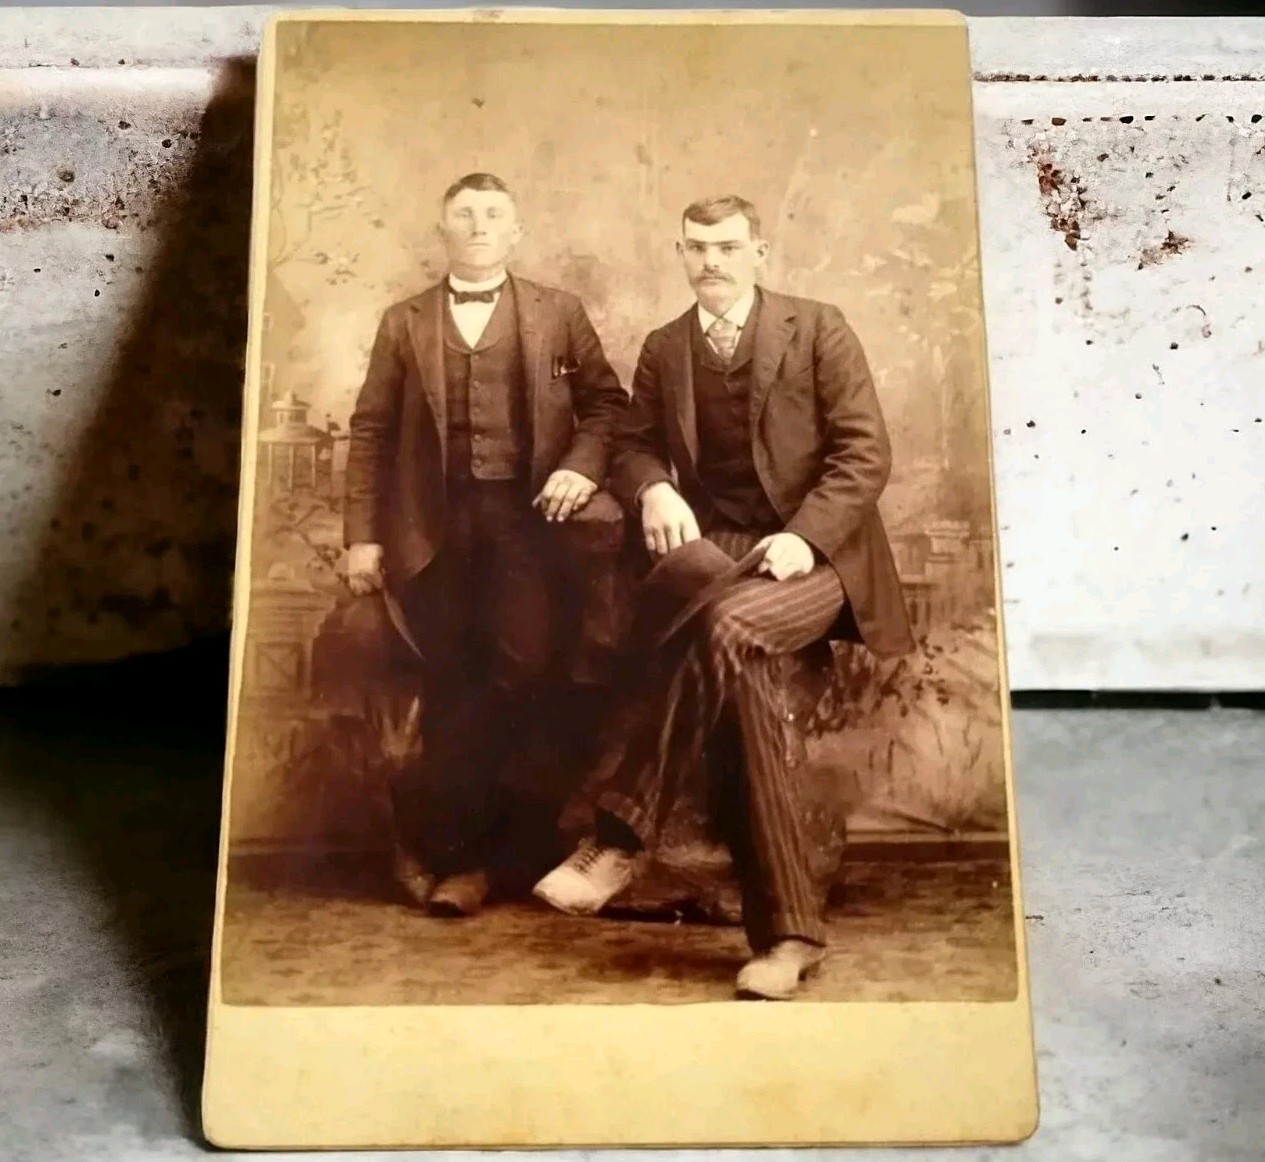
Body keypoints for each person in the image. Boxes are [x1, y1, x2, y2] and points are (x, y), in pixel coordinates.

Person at [532, 194, 915, 998]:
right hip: (718, 556)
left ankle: (621, 834)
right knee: (741, 678)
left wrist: (805, 536)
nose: (711, 262)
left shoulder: (818, 328)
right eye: (697, 247)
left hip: (819, 560)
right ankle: (788, 940)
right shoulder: (665, 346)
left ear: (758, 253)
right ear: (681, 253)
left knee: (729, 626)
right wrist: (652, 489)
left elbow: (864, 453)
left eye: (728, 247)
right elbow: (633, 445)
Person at [343, 172, 626, 918]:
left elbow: (606, 406)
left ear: (515, 231)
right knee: (451, 684)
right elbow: (371, 431)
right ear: (443, 231)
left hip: (528, 526)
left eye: (493, 214)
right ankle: (459, 860)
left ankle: (509, 852)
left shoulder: (558, 312)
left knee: (523, 675)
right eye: (463, 214)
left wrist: (578, 468)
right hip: (430, 530)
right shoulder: (403, 321)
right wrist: (362, 537)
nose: (478, 226)